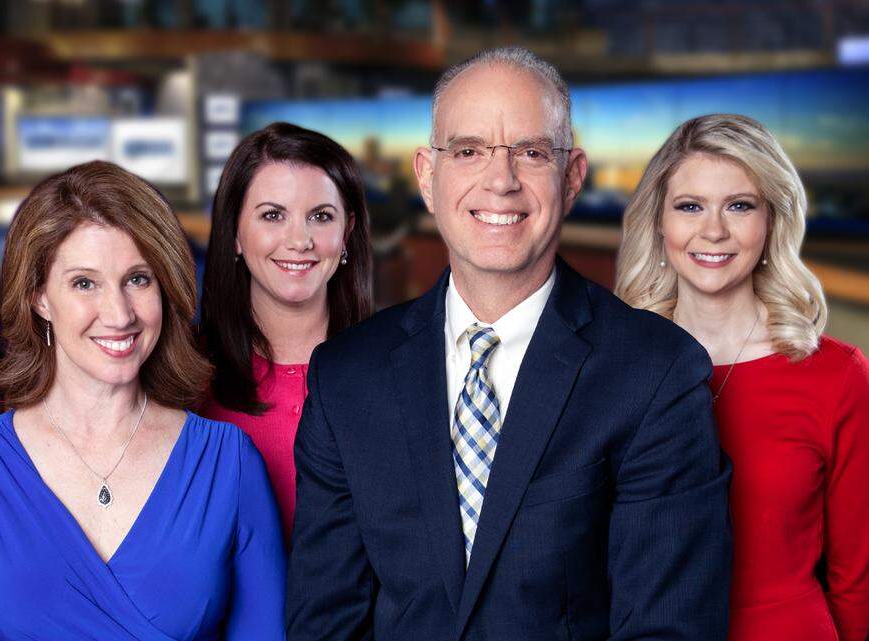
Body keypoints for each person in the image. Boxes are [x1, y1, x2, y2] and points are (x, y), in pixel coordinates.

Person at [285, 46, 733, 641]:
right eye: (468, 151)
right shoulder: (346, 377)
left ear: (572, 177)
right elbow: (325, 623)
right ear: (427, 175)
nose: (500, 181)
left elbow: (668, 628)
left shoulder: (655, 373)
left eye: (531, 152)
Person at [0, 161, 286, 640]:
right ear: (38, 298)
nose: (119, 313)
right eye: (84, 283)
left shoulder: (228, 462)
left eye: (138, 279)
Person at [615, 113, 869, 641]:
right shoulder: (610, 371)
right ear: (658, 223)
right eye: (690, 206)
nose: (714, 230)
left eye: (739, 205)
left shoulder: (837, 376)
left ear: (772, 221)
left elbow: (857, 581)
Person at [198, 122, 372, 542]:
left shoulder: (396, 370)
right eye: (273, 215)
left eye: (320, 217)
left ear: (346, 232)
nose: (299, 240)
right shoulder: (186, 377)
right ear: (235, 233)